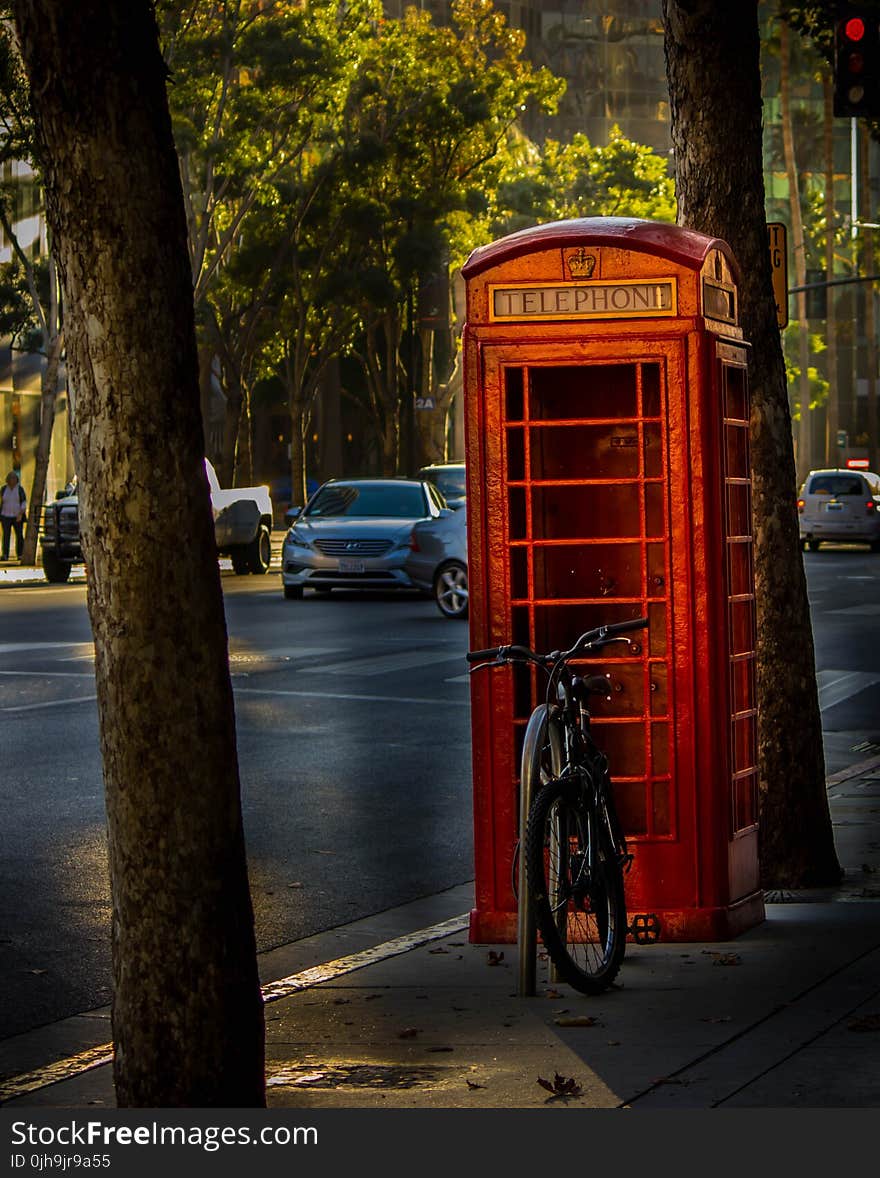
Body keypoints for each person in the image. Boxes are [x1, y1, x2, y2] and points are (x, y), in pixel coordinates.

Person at [1, 471, 27, 561]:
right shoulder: (4, 489)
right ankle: (5, 554)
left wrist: (21, 514)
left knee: (19, 535)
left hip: (17, 516)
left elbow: (23, 502)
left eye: (13, 478)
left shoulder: (20, 489)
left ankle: (20, 554)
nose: (12, 480)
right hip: (5, 515)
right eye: (10, 478)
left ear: (16, 480)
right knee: (6, 535)